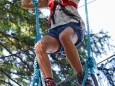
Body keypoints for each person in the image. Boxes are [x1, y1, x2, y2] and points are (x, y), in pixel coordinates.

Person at [22, 0, 92, 86]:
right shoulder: (49, 1)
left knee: (64, 37)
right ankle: (49, 82)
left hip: (73, 26)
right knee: (39, 46)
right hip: (54, 31)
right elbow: (25, 4)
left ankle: (81, 76)